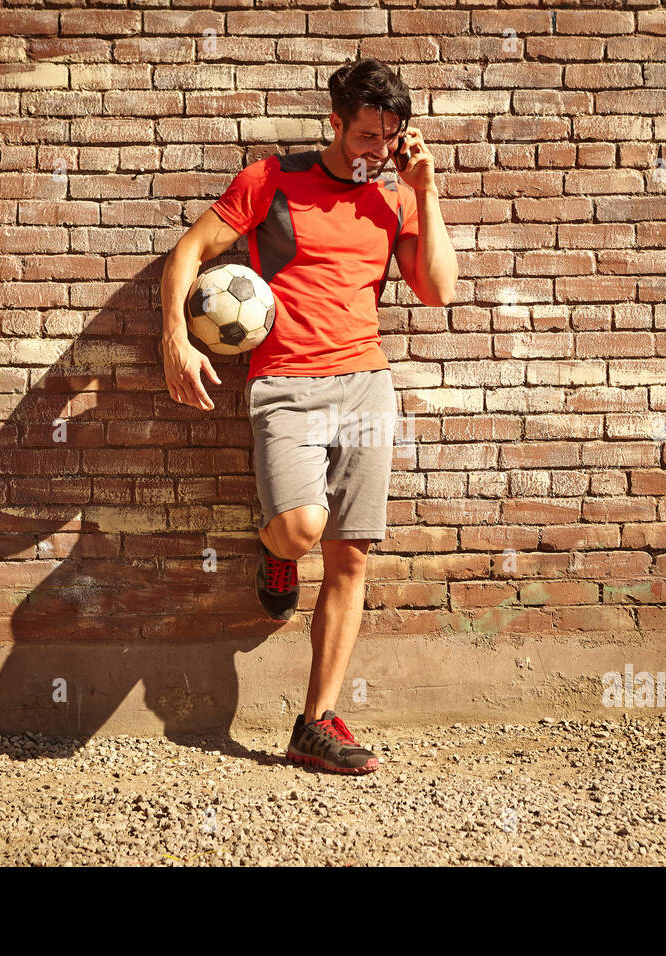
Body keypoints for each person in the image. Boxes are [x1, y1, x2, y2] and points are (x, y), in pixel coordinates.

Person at [160, 58, 458, 774]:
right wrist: (174, 335)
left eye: (389, 138)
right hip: (286, 384)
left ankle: (315, 723)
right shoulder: (271, 180)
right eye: (364, 137)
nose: (375, 152)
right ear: (335, 123)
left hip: (365, 386)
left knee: (350, 555)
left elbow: (438, 290)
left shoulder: (398, 195)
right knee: (299, 529)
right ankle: (274, 553)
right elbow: (189, 252)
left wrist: (426, 191)